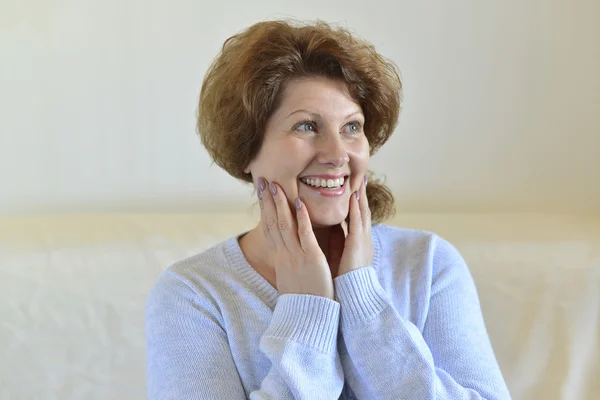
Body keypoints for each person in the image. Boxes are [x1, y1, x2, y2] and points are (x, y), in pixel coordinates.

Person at [145, 19, 511, 400]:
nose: (338, 155)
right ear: (247, 148)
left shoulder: (428, 264)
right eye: (306, 126)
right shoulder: (194, 294)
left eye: (352, 127)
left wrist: (362, 299)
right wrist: (307, 311)